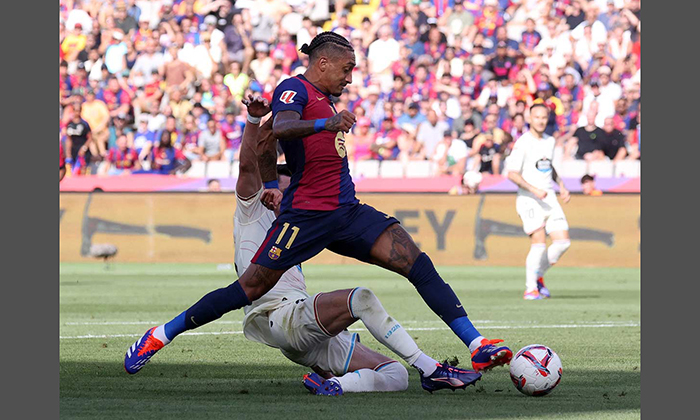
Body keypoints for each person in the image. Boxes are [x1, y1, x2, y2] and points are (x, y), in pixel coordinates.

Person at [125, 32, 512, 377]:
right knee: (250, 288)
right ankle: (159, 336)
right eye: (346, 69)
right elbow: (279, 130)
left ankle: (477, 346)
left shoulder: (326, 100)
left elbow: (270, 147)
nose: (349, 77)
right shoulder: (293, 89)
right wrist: (318, 134)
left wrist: (275, 181)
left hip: (347, 211)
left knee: (416, 262)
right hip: (306, 216)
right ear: (322, 63)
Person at [236, 97, 482, 395]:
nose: (290, 195)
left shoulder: (300, 226)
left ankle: (333, 385)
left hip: (303, 329)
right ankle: (430, 368)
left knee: (395, 376)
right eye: (285, 187)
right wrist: (253, 120)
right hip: (282, 317)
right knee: (361, 298)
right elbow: (249, 166)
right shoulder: (253, 211)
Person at [505, 104, 572, 300]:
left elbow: (548, 167)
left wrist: (562, 185)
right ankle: (530, 288)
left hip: (548, 196)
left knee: (563, 242)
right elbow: (511, 174)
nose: (541, 121)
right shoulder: (523, 143)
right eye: (537, 117)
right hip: (529, 199)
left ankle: (538, 275)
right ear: (530, 118)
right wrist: (534, 189)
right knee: (540, 243)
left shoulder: (550, 141)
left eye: (544, 117)